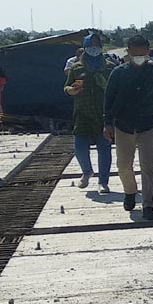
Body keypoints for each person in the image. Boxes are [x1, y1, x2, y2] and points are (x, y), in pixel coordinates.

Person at [103, 35, 153, 221]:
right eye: (135, 53)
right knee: (124, 165)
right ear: (129, 52)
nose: (139, 56)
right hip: (123, 125)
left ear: (148, 52)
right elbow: (108, 100)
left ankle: (148, 204)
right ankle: (130, 191)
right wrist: (107, 123)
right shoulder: (118, 73)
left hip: (147, 125)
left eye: (142, 53)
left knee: (148, 166)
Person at [65, 33, 116, 193]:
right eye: (90, 45)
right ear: (85, 47)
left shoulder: (109, 67)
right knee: (80, 147)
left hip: (103, 114)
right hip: (82, 113)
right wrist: (71, 91)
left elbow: (117, 89)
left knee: (104, 148)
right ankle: (87, 171)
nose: (94, 48)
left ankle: (103, 181)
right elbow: (67, 86)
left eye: (97, 45)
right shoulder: (76, 67)